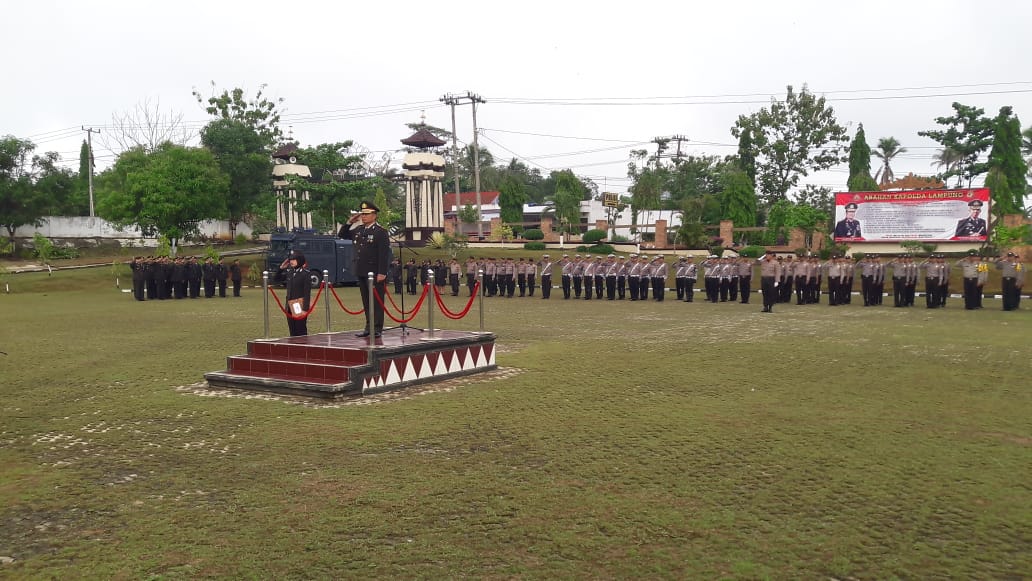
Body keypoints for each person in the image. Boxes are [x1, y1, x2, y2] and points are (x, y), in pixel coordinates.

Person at [338, 200, 391, 338]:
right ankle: (368, 327)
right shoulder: (359, 230)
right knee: (366, 301)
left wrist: (382, 272)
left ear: (374, 215)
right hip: (361, 270)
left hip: (374, 272)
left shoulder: (380, 232)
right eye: (362, 214)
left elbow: (383, 254)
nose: (364, 217)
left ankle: (377, 327)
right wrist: (350, 222)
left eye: (367, 214)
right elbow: (342, 234)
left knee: (377, 301)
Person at [280, 251, 312, 337]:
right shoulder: (289, 272)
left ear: (300, 260)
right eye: (290, 259)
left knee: (300, 329)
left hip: (298, 304)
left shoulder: (305, 274)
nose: (291, 261)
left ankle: (303, 347)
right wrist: (281, 268)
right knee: (292, 330)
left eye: (294, 259)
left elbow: (307, 293)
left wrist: (305, 309)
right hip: (289, 305)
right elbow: (277, 279)